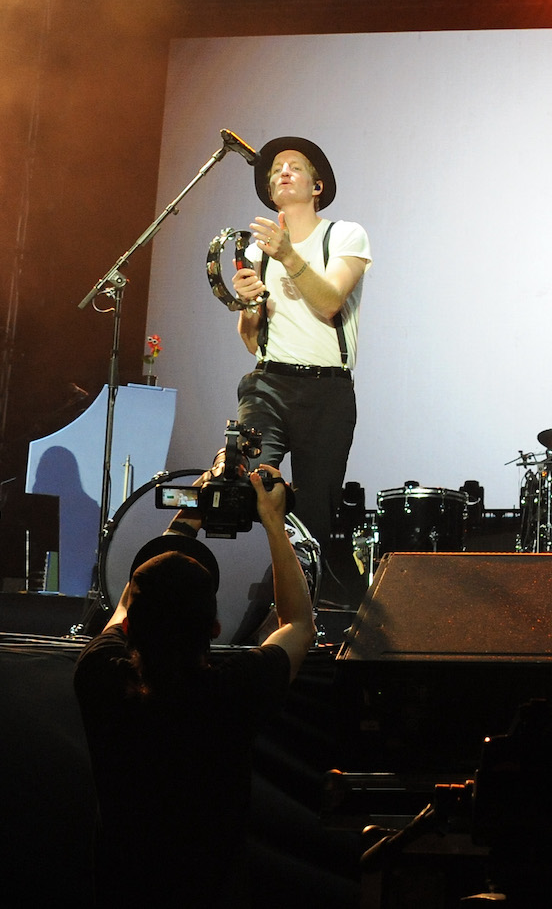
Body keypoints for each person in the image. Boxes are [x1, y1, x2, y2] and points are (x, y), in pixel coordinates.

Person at [74, 461, 316, 907]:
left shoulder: (99, 673)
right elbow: (299, 623)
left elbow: (130, 600)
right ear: (216, 627)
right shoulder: (232, 691)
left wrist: (194, 509)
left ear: (132, 629)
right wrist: (273, 523)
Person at [227, 136, 370, 598]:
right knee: (252, 483)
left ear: (317, 186)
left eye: (294, 167)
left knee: (316, 515)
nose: (282, 171)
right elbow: (251, 340)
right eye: (275, 171)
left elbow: (330, 302)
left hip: (327, 392)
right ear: (271, 193)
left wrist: (287, 255)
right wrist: (248, 306)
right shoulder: (254, 251)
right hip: (268, 382)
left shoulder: (344, 235)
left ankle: (300, 598)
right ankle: (259, 587)